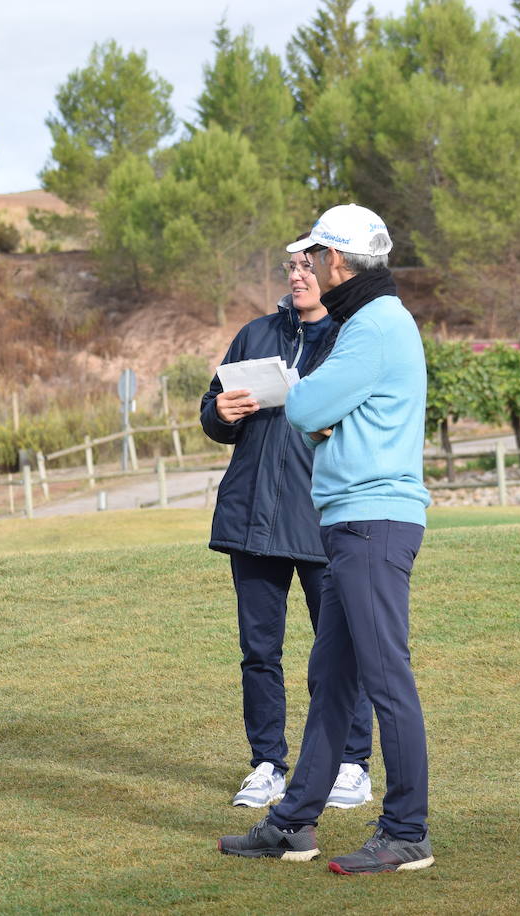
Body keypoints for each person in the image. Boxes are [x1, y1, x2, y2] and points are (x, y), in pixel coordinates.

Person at [218, 204, 434, 875]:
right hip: (352, 519)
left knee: (383, 675)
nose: (310, 267)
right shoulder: (374, 321)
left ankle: (406, 831)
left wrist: (315, 416)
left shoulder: (371, 325)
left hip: (372, 521)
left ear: (336, 262)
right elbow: (319, 416)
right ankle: (294, 822)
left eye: (315, 256)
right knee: (332, 677)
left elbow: (306, 409)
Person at [200, 238, 376, 810]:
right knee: (259, 652)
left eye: (308, 266)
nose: (298, 276)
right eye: (291, 267)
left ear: (332, 269)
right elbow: (215, 408)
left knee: (340, 650)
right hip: (251, 519)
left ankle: (351, 764)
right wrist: (218, 413)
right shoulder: (254, 333)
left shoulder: (355, 336)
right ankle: (267, 765)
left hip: (325, 518)